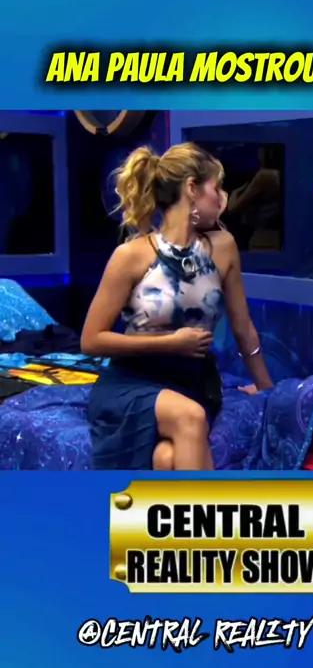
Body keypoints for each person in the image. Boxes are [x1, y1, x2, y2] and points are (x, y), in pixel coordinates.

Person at [81, 143, 274, 472]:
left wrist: (268, 390)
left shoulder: (223, 247)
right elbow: (91, 340)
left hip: (193, 382)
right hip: (132, 382)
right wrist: (169, 343)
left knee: (167, 458)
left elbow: (243, 328)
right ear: (192, 189)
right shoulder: (131, 255)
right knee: (190, 417)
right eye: (217, 187)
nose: (223, 197)